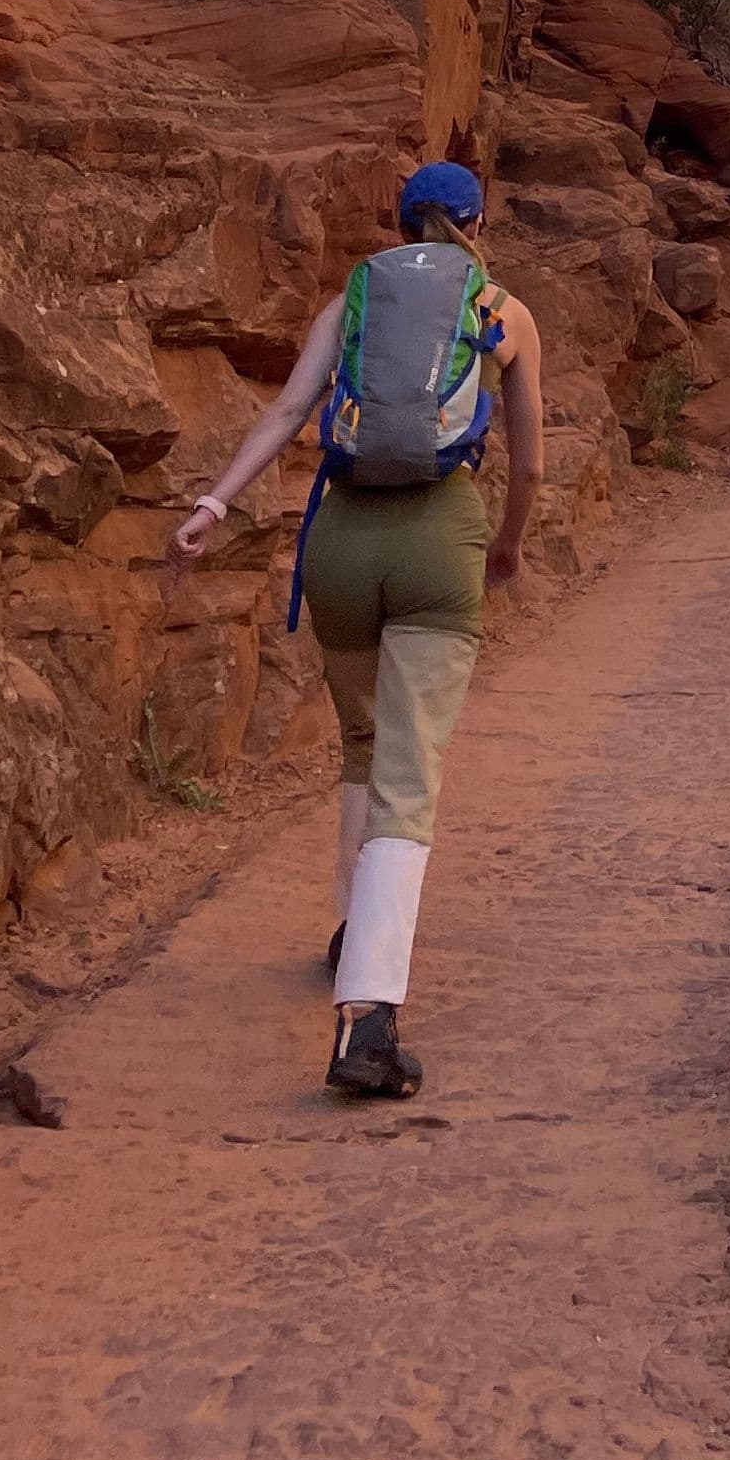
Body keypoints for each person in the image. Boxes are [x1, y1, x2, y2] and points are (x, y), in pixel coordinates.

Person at [166, 160, 544, 1099]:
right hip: (437, 542)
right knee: (409, 779)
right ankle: (368, 1019)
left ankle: (346, 934)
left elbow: (291, 409)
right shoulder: (501, 309)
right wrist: (505, 546)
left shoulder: (355, 297)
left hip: (336, 541)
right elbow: (532, 462)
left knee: (363, 742)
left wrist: (213, 503)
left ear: (401, 219)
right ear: (475, 222)